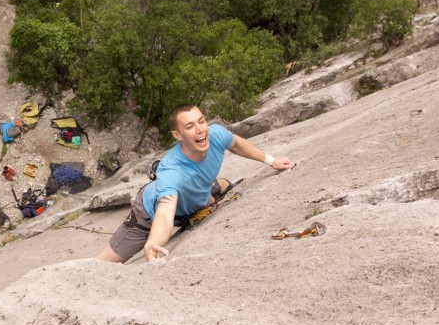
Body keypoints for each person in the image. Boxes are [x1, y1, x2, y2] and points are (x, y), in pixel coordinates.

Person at [96, 104, 294, 264]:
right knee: (105, 264)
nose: (200, 130)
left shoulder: (215, 134)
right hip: (149, 214)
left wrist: (270, 160)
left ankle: (212, 190)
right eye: (190, 126)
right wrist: (152, 244)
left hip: (196, 196)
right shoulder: (171, 171)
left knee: (215, 189)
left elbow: (236, 143)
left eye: (201, 121)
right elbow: (165, 211)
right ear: (178, 135)